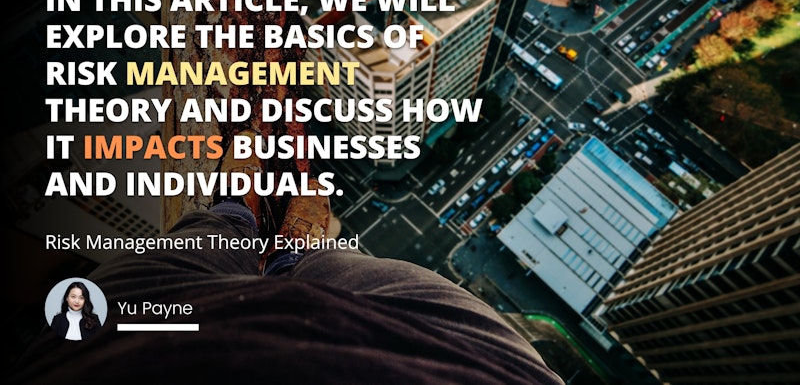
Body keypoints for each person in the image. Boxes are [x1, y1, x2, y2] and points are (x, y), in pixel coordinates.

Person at [13, 129, 564, 384]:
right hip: (483, 371)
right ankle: (296, 251)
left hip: (117, 362)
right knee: (372, 276)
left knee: (154, 276)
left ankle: (234, 214)